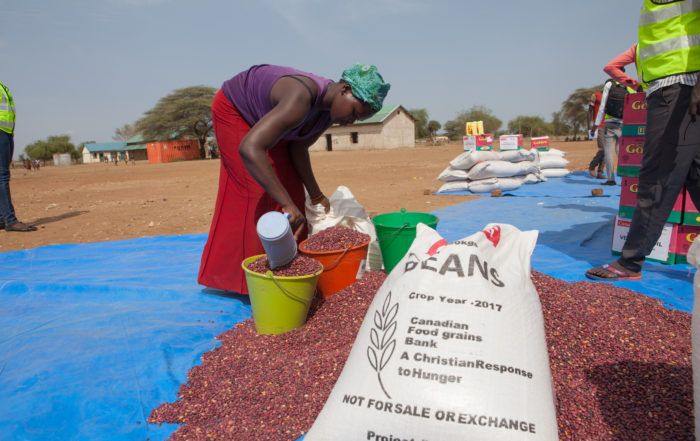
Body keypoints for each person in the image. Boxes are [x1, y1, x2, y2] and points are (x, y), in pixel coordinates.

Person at [198, 64, 390, 294]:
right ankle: (250, 284)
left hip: (267, 118)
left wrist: (316, 194)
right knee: (255, 190)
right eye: (355, 113)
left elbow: (298, 149)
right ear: (344, 89)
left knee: (293, 192)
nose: (352, 121)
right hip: (236, 111)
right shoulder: (300, 98)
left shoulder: (327, 113)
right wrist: (286, 204)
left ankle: (291, 270)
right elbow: (250, 148)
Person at [586, 0, 700, 281]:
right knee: (695, 173)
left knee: (658, 175)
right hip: (672, 88)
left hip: (680, 87)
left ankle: (630, 261)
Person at [594, 45, 641, 186]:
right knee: (621, 152)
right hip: (624, 123)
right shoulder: (629, 85)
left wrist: (596, 125)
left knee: (608, 152)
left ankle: (610, 179)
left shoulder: (609, 85)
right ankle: (626, 179)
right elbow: (634, 106)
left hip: (609, 123)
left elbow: (603, 105)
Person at [0, 81, 37, 232]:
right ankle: (10, 220)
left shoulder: (2, 85)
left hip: (6, 132)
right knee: (2, 175)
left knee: (2, 175)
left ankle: (2, 218)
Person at [587, 90, 606, 178]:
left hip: (610, 125)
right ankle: (592, 165)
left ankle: (600, 172)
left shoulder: (611, 97)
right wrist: (589, 126)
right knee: (602, 148)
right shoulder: (595, 95)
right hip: (599, 125)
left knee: (607, 150)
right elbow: (590, 111)